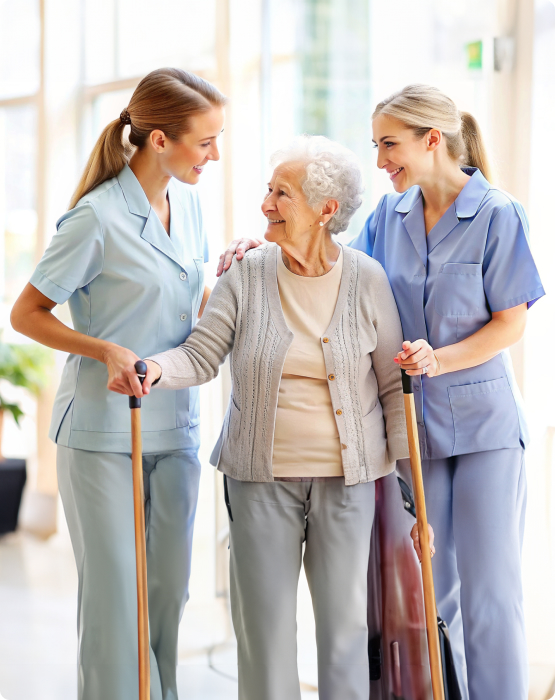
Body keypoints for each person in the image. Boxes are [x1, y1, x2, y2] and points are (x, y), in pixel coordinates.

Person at [218, 85, 545, 700]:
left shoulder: (498, 214)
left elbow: (512, 322)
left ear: (431, 140)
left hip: (483, 430)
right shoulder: (386, 219)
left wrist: (439, 358)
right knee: (429, 593)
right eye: (375, 146)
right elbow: (328, 264)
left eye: (388, 145)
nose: (380, 161)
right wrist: (263, 243)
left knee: (490, 594)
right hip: (412, 433)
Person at [139, 135, 410, 700]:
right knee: (263, 636)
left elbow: (391, 387)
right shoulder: (247, 274)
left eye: (280, 193)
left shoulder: (368, 279)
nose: (265, 204)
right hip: (260, 481)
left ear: (325, 210)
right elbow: (199, 354)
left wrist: (413, 487)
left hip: (348, 484)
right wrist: (152, 369)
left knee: (344, 633)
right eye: (268, 189)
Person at [10, 68, 226, 700]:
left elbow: (189, 300)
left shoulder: (188, 206)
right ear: (159, 140)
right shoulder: (95, 217)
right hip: (103, 432)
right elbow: (26, 313)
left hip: (175, 424)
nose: (214, 155)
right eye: (205, 141)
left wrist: (231, 286)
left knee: (166, 596)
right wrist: (101, 347)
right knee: (115, 605)